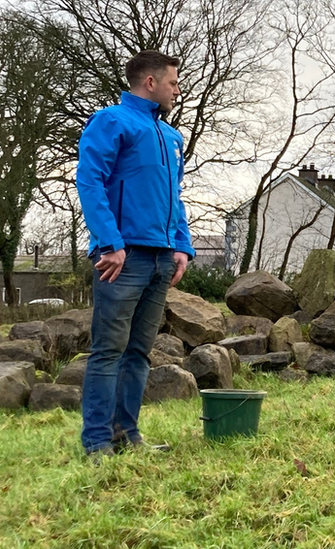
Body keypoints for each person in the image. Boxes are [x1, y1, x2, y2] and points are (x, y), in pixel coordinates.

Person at [76, 50, 195, 458]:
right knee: (108, 349)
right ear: (150, 82)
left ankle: (127, 434)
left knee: (139, 352)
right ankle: (96, 442)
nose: (178, 91)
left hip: (163, 259)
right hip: (123, 258)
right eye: (174, 83)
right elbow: (90, 181)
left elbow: (173, 198)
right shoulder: (112, 121)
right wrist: (110, 243)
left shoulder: (170, 137)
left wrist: (182, 247)